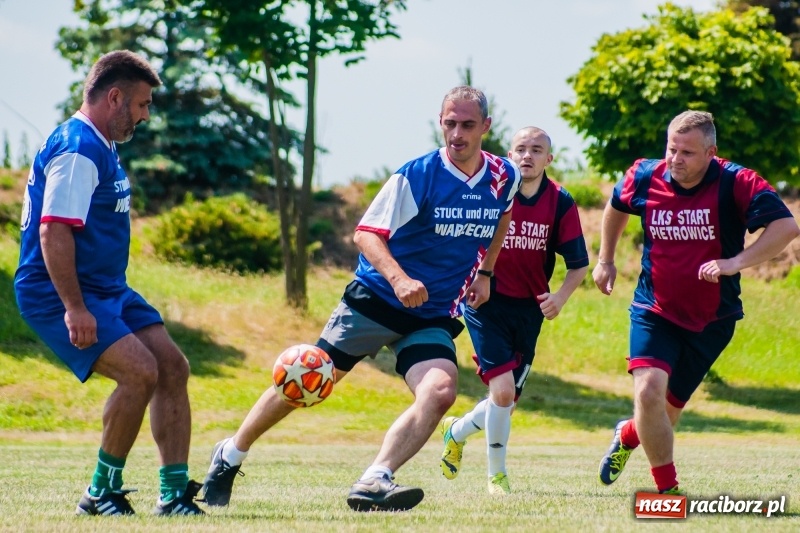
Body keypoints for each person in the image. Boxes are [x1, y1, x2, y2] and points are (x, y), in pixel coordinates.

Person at [202, 85, 521, 512]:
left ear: (486, 126)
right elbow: (366, 233)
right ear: (440, 122)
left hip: (430, 316)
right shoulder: (417, 175)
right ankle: (231, 454)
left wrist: (485, 272)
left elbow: (503, 215)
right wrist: (399, 278)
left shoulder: (505, 177)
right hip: (374, 299)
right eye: (449, 123)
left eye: (467, 125)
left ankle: (376, 478)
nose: (457, 133)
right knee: (307, 381)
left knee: (441, 391)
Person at [14, 50, 205, 516]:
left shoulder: (101, 143)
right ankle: (100, 492)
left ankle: (174, 495)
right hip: (57, 291)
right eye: (141, 105)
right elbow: (53, 230)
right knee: (139, 372)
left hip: (108, 288)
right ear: (114, 97)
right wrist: (75, 309)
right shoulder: (78, 149)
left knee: (172, 368)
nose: (144, 115)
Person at [593, 110, 800, 494]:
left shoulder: (736, 181)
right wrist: (605, 260)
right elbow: (617, 208)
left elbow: (787, 227)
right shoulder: (644, 175)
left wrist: (735, 262)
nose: (676, 159)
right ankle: (667, 492)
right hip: (654, 309)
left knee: (665, 414)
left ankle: (627, 434)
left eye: (687, 152)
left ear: (711, 152)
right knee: (648, 392)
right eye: (672, 149)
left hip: (713, 318)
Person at [438, 127, 589, 495]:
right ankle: (497, 476)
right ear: (509, 153)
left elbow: (579, 264)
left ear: (549, 159)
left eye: (537, 150)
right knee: (502, 394)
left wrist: (560, 297)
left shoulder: (560, 202)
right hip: (485, 302)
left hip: (530, 309)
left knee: (504, 401)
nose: (527, 156)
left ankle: (456, 431)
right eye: (520, 149)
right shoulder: (490, 193)